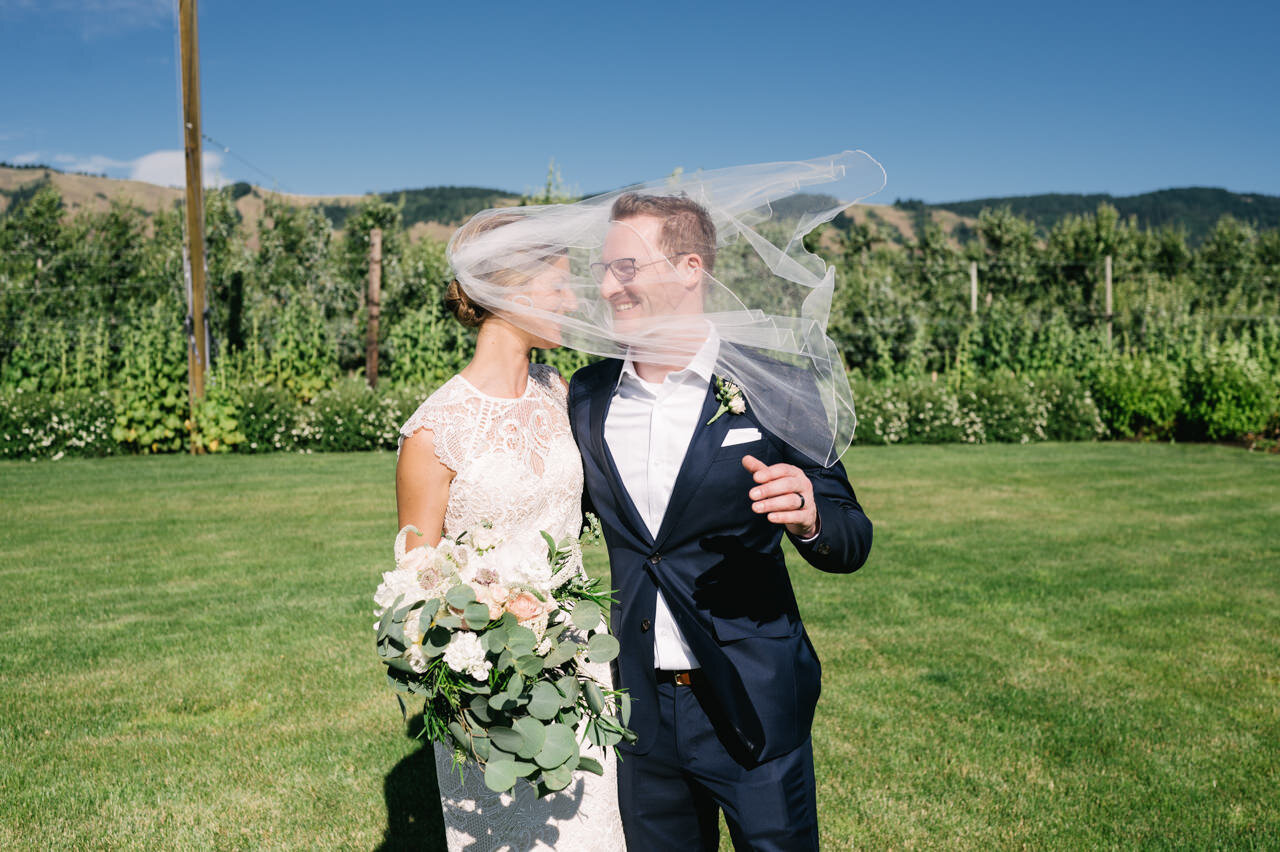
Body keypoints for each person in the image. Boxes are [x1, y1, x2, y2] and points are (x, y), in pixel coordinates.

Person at [565, 193, 873, 850]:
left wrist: (812, 516)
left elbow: (852, 537)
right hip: (638, 709)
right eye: (603, 268)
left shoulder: (776, 386)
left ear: (689, 268)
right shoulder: (587, 395)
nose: (604, 285)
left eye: (625, 267)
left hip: (754, 699)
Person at [395, 212, 627, 850]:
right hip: (489, 677)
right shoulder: (434, 432)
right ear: (508, 291)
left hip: (578, 655)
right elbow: (416, 582)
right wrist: (478, 654)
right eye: (558, 286)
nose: (575, 300)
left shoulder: (563, 396)